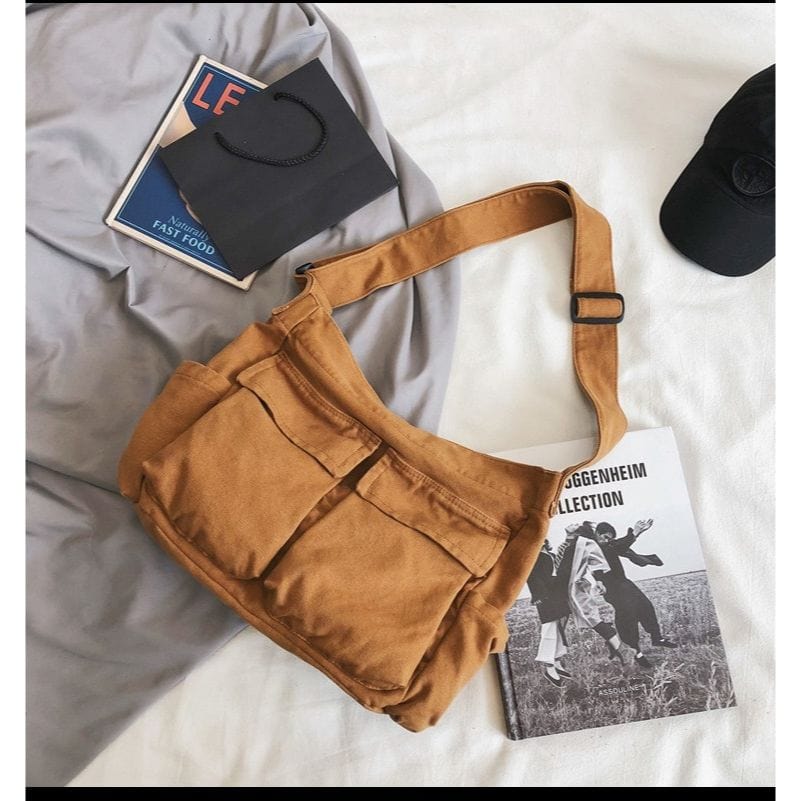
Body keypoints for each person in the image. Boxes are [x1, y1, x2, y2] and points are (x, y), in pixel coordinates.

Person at [595, 520, 678, 668]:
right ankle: (637, 653)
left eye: (610, 538)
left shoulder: (609, 546)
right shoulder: (593, 548)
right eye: (605, 537)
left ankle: (657, 637)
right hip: (611, 589)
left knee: (645, 606)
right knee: (628, 618)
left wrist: (635, 534)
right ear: (597, 534)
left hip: (624, 583)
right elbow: (617, 546)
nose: (607, 541)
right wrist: (635, 533)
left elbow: (618, 546)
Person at [526, 540, 572, 687]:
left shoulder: (551, 554)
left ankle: (557, 661)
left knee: (560, 629)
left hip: (558, 594)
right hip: (545, 596)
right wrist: (538, 595)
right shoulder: (532, 556)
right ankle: (549, 667)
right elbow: (531, 577)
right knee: (549, 629)